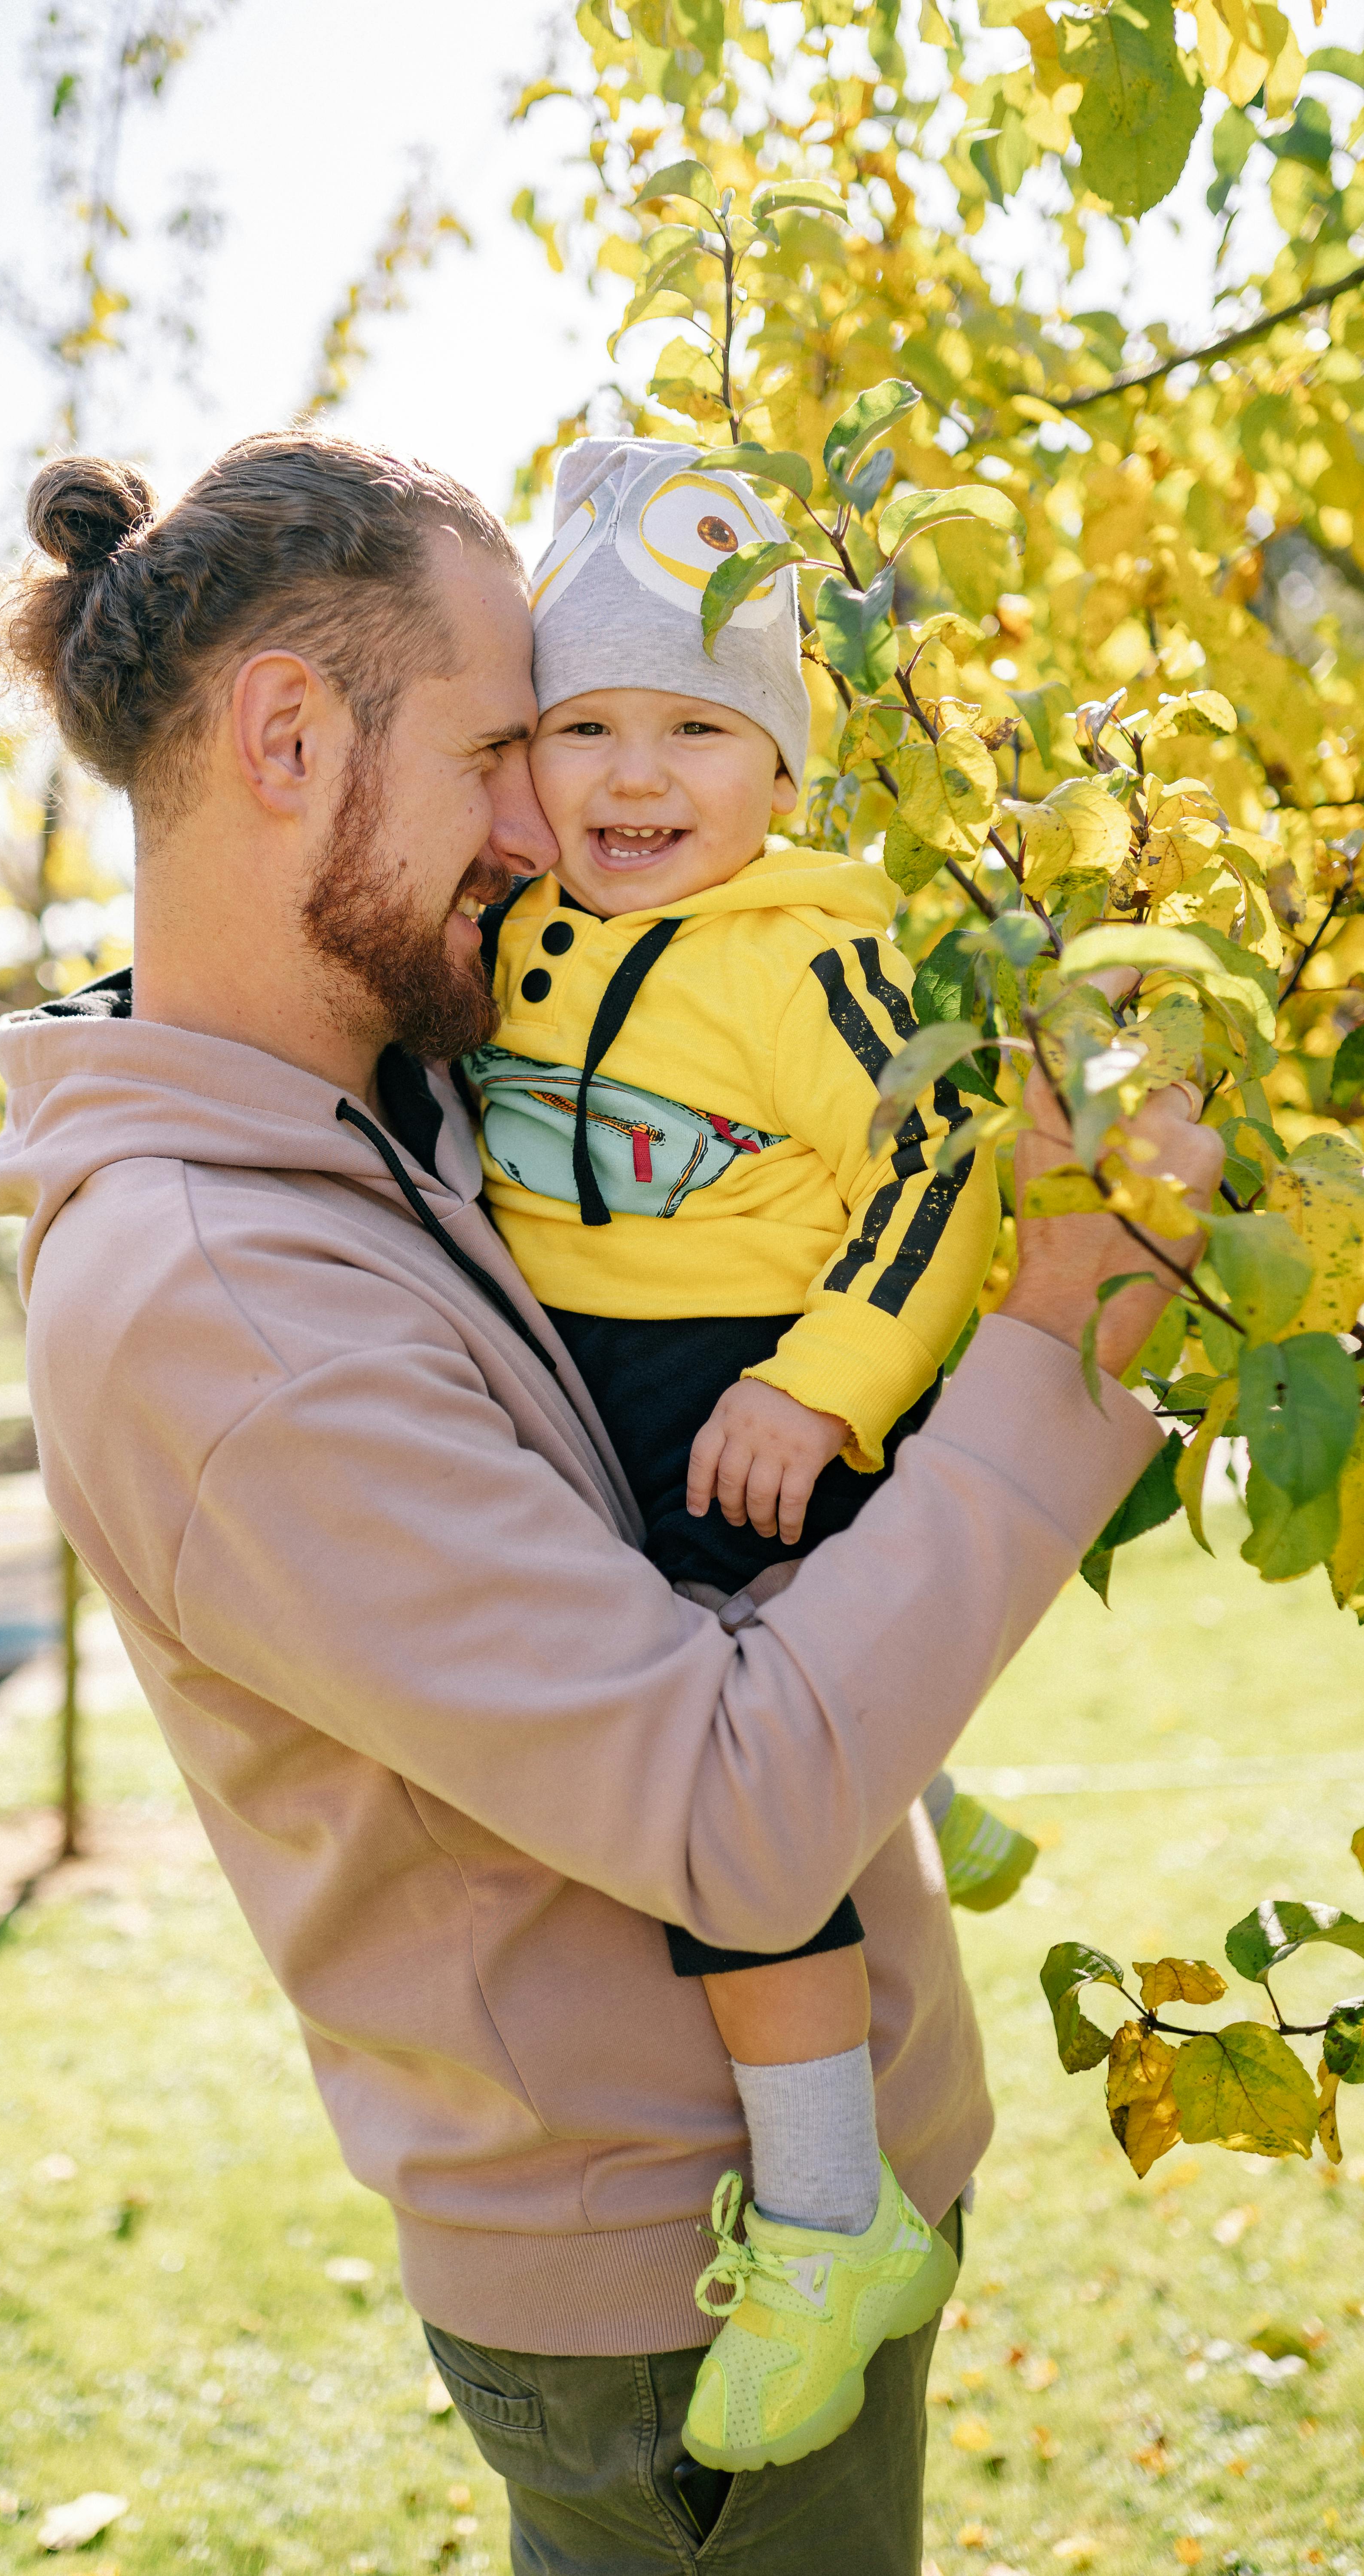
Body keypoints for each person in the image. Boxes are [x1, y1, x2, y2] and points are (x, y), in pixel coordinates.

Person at [0, 427, 1220, 2575]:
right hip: (682, 2283)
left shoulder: (396, 1100)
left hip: (792, 2192)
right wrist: (1065, 1328)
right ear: (288, 737)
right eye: (504, 747)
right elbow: (725, 1804)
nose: (561, 817)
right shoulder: (224, 1307)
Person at [462, 434, 1023, 2476]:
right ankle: (918, 1773)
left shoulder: (799, 950)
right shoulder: (529, 928)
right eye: (584, 722)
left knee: (730, 1824)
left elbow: (940, 1154)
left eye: (696, 726)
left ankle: (824, 2214)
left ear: (781, 769)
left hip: (751, 1382)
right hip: (589, 1388)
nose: (632, 775)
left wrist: (826, 1383)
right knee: (714, 1683)